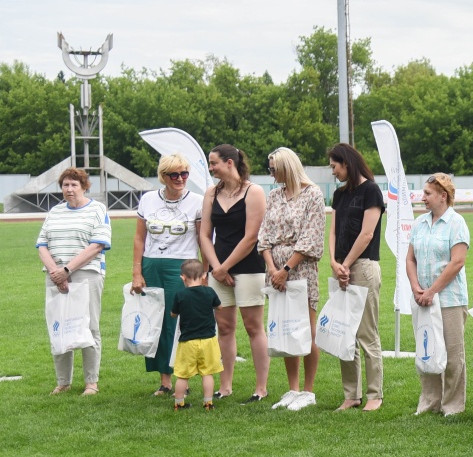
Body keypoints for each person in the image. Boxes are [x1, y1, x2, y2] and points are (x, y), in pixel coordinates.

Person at [198, 144, 270, 403]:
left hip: (248, 268)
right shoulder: (210, 193)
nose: (210, 167)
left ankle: (261, 388)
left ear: (230, 163)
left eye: (214, 162)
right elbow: (204, 235)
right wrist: (216, 268)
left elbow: (252, 236)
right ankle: (225, 386)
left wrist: (224, 267)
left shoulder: (254, 192)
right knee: (224, 327)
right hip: (218, 270)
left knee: (253, 327)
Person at [259, 147, 326, 412]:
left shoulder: (312, 195)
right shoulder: (274, 196)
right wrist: (272, 268)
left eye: (274, 168)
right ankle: (293, 388)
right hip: (275, 270)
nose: (271, 173)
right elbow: (263, 235)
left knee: (307, 330)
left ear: (287, 167)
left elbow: (311, 237)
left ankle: (308, 391)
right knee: (285, 328)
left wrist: (285, 269)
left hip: (300, 270)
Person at [35, 167, 112, 395]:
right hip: (55, 276)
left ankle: (91, 382)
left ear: (84, 187)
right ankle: (63, 382)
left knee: (89, 326)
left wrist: (67, 269)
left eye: (74, 185)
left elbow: (97, 245)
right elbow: (42, 244)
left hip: (87, 274)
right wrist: (55, 272)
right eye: (65, 185)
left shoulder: (98, 209)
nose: (69, 189)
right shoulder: (55, 212)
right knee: (58, 326)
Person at [131, 154, 202, 396]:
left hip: (183, 266)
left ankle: (184, 377)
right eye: (175, 174)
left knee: (180, 321)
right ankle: (165, 381)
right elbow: (140, 238)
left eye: (184, 174)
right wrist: (136, 271)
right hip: (152, 265)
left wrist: (204, 273)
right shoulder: (148, 199)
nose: (181, 178)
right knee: (156, 321)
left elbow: (203, 239)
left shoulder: (197, 201)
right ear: (164, 176)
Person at [406, 173, 471, 416]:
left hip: (449, 300)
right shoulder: (419, 223)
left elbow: (457, 262)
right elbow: (410, 258)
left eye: (427, 194)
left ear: (443, 196)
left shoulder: (457, 223)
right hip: (423, 298)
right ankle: (430, 402)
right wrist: (416, 288)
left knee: (453, 355)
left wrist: (432, 291)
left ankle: (452, 405)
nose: (422, 198)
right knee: (427, 351)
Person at [328, 142, 385, 412]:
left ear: (347, 163)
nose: (332, 171)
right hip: (341, 268)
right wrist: (333, 262)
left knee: (366, 333)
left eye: (334, 166)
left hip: (362, 267)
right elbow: (333, 232)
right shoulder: (339, 195)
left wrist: (346, 264)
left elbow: (367, 234)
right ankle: (351, 395)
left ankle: (375, 394)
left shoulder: (371, 191)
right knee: (344, 333)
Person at [169, 260, 223, 410]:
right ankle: (208, 403)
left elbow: (173, 314)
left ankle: (179, 403)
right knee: (208, 373)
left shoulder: (180, 295)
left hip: (187, 341)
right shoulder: (209, 292)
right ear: (204, 275)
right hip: (208, 340)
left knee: (183, 375)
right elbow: (219, 307)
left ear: (183, 277)